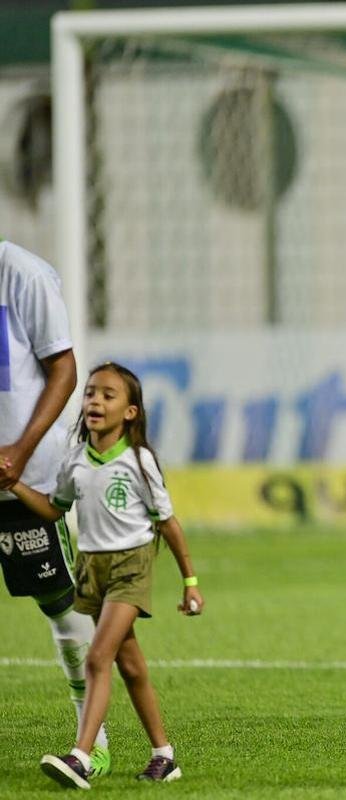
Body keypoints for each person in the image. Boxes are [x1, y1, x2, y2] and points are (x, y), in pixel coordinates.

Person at [6, 362, 203, 789]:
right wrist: (16, 485)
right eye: (91, 392)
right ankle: (164, 756)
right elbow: (54, 510)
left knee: (98, 658)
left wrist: (190, 582)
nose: (95, 400)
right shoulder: (75, 459)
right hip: (90, 569)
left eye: (108, 395)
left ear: (130, 412)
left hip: (130, 567)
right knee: (130, 666)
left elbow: (168, 523)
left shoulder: (139, 461)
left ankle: (81, 755)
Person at [0, 239, 114, 777]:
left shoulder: (19, 272)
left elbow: (63, 370)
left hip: (25, 479)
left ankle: (94, 742)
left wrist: (18, 454)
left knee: (62, 608)